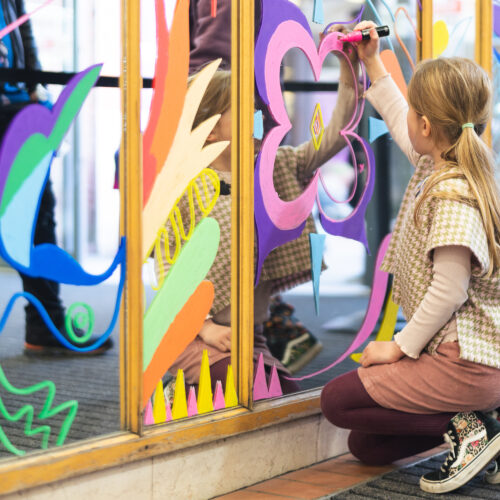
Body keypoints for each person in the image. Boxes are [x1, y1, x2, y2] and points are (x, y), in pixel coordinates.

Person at [320, 20, 500, 495]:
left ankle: (478, 425)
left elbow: (450, 288)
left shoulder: (452, 192)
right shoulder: (447, 158)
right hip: (465, 362)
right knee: (368, 445)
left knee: (338, 400)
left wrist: (398, 347)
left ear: (428, 126)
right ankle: (477, 430)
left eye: (415, 115)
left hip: (467, 364)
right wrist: (372, 61)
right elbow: (404, 120)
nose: (409, 125)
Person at [156, 31, 360, 394]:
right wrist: (204, 327)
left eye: (256, 111)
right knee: (250, 392)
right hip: (190, 333)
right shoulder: (183, 186)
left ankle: (190, 391)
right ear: (212, 125)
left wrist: (348, 70)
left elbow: (334, 136)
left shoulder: (273, 168)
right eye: (247, 113)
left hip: (248, 336)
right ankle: (178, 388)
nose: (259, 119)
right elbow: (168, 271)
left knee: (282, 404)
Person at [188, 0, 323, 374]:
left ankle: (265, 326)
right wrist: (220, 110)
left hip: (222, 119)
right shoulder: (201, 178)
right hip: (217, 115)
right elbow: (213, 57)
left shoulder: (267, 163)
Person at [0, 0, 111, 355]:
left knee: (37, 220)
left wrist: (36, 93)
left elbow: (23, 33)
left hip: (20, 107)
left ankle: (45, 323)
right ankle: (46, 322)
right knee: (31, 222)